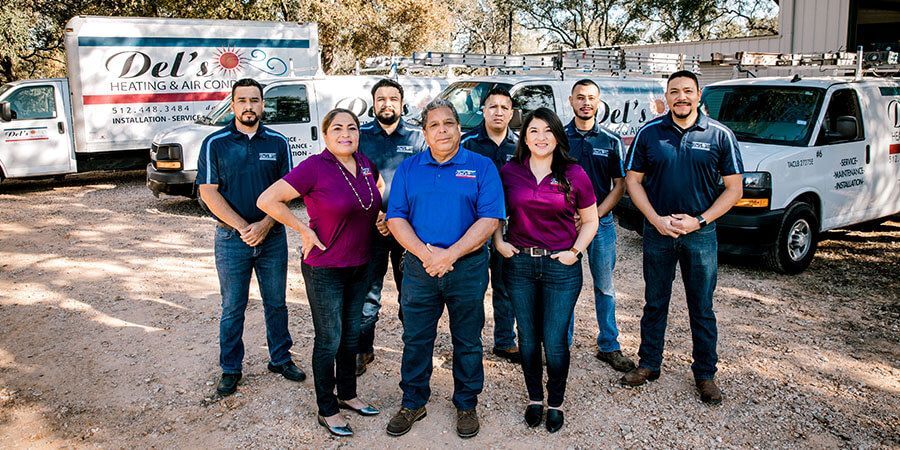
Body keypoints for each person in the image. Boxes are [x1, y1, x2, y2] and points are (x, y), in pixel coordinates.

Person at [257, 109, 384, 436]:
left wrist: (381, 217)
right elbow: (267, 200)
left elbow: (376, 195)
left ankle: (348, 394)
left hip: (360, 264)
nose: (346, 134)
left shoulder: (365, 164)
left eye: (352, 128)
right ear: (325, 135)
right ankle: (327, 409)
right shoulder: (314, 167)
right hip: (325, 268)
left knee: (351, 335)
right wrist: (303, 229)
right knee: (330, 338)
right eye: (337, 128)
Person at [621, 70, 743, 405]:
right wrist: (655, 220)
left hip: (700, 235)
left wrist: (699, 221)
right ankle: (649, 364)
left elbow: (734, 189)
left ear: (699, 95)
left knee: (701, 306)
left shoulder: (720, 135)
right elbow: (632, 181)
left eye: (687, 91)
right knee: (654, 302)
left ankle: (705, 374)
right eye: (674, 91)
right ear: (667, 96)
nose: (681, 97)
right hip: (658, 232)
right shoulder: (649, 133)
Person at [384, 99, 504, 439]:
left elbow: (489, 219)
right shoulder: (409, 169)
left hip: (466, 268)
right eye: (434, 125)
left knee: (467, 339)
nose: (442, 130)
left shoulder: (481, 167)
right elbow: (396, 218)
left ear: (459, 128)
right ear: (424, 133)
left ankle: (466, 403)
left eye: (448, 123)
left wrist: (450, 254)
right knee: (416, 338)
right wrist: (426, 254)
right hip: (420, 268)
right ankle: (413, 401)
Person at [196, 78, 306, 397]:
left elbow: (288, 192)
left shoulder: (278, 143)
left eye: (254, 100)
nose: (248, 106)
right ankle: (231, 368)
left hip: (272, 238)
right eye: (242, 100)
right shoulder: (214, 143)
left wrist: (265, 225)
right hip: (231, 239)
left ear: (262, 104)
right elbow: (209, 193)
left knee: (276, 303)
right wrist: (245, 227)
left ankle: (280, 359)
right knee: (233, 306)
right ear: (233, 105)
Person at [494, 107, 599, 433]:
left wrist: (575, 252)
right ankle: (534, 399)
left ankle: (555, 402)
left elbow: (591, 220)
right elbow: (494, 213)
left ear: (557, 136)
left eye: (548, 131)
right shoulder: (510, 171)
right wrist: (499, 242)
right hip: (520, 265)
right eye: (534, 131)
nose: (541, 137)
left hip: (560, 267)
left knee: (554, 340)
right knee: (527, 338)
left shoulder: (574, 173)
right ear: (524, 137)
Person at [356, 78, 427, 376]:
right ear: (373, 104)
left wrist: (396, 216)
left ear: (402, 103)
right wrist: (377, 215)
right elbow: (350, 179)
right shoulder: (359, 136)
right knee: (366, 295)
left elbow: (424, 183)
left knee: (409, 294)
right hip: (368, 228)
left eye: (393, 98)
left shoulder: (417, 137)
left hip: (407, 230)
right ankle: (362, 349)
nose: (387, 104)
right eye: (381, 99)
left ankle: (412, 352)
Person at [564, 79, 635, 372]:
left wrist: (593, 215)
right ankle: (561, 343)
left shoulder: (611, 141)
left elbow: (620, 186)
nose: (586, 103)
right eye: (580, 97)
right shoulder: (559, 138)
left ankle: (609, 345)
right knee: (565, 287)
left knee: (604, 287)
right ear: (571, 101)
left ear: (598, 101)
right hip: (566, 225)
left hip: (601, 225)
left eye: (591, 98)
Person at [460, 86, 519, 364]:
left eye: (504, 107)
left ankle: (505, 341)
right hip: (474, 226)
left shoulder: (520, 146)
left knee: (505, 286)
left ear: (511, 113)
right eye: (493, 106)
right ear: (483, 111)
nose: (498, 112)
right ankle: (469, 343)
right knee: (472, 287)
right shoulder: (468, 143)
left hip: (510, 227)